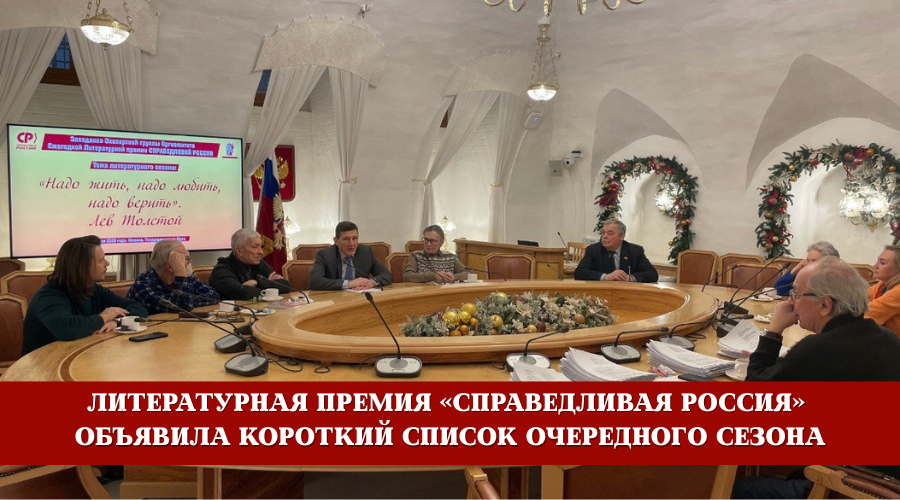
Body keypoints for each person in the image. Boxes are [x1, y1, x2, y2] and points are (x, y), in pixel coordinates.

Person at [746, 256, 900, 381]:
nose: (791, 302)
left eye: (797, 294)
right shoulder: (889, 339)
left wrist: (773, 332)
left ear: (825, 305)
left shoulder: (816, 350)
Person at [21, 235, 149, 356]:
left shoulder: (94, 290)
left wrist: (117, 322)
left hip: (81, 357)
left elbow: (139, 308)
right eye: (101, 260)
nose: (107, 263)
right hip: (44, 365)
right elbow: (68, 329)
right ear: (82, 267)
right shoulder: (48, 296)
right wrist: (105, 317)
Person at [127, 240, 220, 314]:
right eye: (186, 259)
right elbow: (183, 306)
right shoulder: (142, 285)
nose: (191, 261)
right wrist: (180, 272)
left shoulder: (188, 278)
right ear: (170, 267)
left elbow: (213, 296)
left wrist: (188, 301)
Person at [209, 229, 291, 300]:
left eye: (261, 246)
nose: (261, 251)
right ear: (239, 251)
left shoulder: (258, 263)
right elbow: (243, 293)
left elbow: (285, 286)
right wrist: (268, 284)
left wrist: (257, 282)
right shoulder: (221, 270)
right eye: (255, 247)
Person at [309, 221, 392, 290]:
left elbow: (386, 275)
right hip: (335, 298)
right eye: (346, 239)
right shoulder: (325, 254)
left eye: (354, 238)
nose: (351, 244)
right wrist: (349, 283)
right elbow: (315, 281)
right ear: (336, 241)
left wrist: (371, 282)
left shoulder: (365, 252)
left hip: (360, 296)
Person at [574, 219, 658, 283]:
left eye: (610, 233)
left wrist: (630, 278)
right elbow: (579, 272)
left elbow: (652, 274)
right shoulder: (593, 250)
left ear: (622, 236)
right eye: (603, 233)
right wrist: (606, 277)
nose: (604, 236)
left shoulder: (635, 251)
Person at [771, 240, 839, 297]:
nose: (808, 265)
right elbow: (778, 291)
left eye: (814, 261)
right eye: (807, 260)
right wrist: (794, 272)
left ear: (829, 264)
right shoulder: (807, 279)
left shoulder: (833, 284)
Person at [866, 244, 900, 336]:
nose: (875, 266)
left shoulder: (898, 292)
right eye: (877, 261)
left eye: (882, 263)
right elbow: (857, 297)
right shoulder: (883, 285)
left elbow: (867, 315)